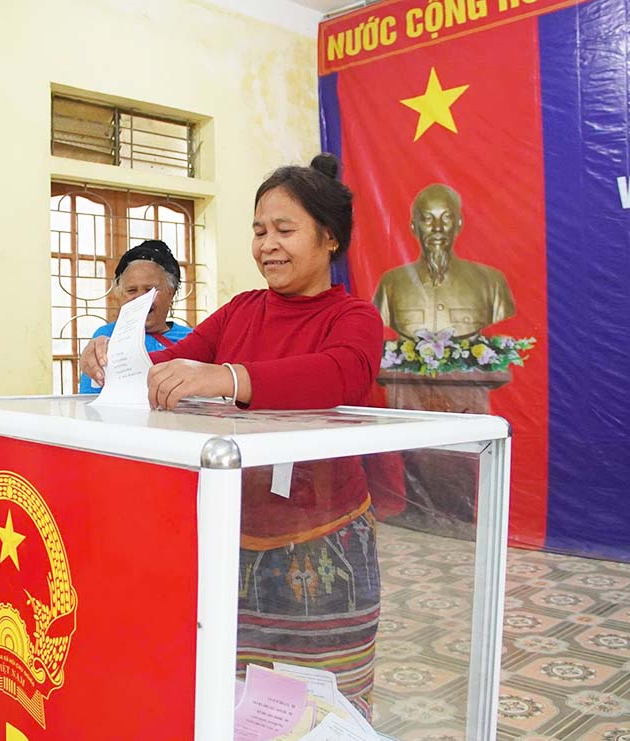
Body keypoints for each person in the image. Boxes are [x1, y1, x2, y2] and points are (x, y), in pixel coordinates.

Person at [81, 154, 384, 715]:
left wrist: (229, 377)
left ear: (330, 239)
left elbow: (342, 372)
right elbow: (167, 366)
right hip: (230, 542)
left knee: (321, 711)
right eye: (259, 229)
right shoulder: (240, 312)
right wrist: (113, 357)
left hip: (326, 548)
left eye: (285, 230)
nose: (267, 244)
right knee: (234, 701)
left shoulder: (353, 317)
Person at [372, 183, 515, 338]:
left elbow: (507, 338)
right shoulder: (391, 284)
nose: (437, 228)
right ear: (414, 226)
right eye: (427, 219)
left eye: (446, 218)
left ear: (459, 224)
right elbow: (377, 339)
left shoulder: (491, 283)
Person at [78, 239, 192, 393]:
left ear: (170, 293)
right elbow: (91, 401)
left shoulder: (192, 339)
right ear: (120, 296)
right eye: (132, 290)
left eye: (150, 290)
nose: (141, 298)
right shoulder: (105, 338)